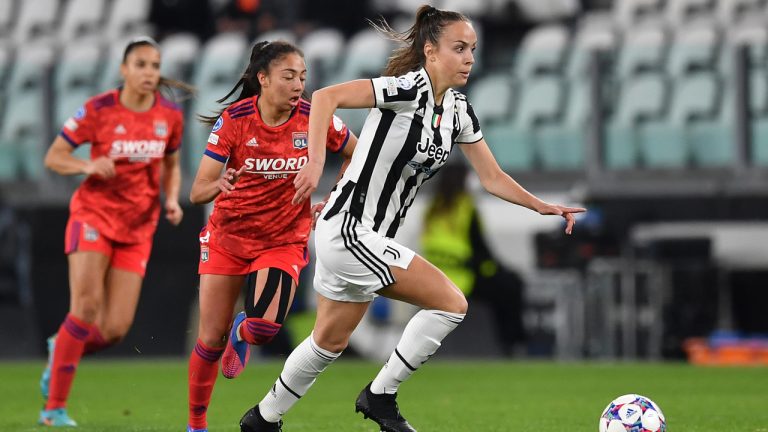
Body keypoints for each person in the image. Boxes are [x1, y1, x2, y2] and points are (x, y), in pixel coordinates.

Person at [239, 5, 585, 432]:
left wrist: (542, 206)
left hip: (361, 237)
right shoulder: (405, 89)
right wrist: (314, 165)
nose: (468, 59)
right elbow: (326, 98)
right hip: (349, 230)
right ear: (430, 51)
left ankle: (262, 418)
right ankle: (381, 395)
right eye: (458, 48)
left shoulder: (458, 111)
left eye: (472, 49)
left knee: (328, 341)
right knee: (451, 303)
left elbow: (492, 177)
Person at [186, 40, 357, 432]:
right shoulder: (235, 120)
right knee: (209, 341)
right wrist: (220, 182)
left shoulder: (315, 118)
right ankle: (196, 425)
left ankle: (242, 330)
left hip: (282, 239)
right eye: (289, 76)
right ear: (262, 79)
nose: (299, 85)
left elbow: (355, 152)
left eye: (303, 76)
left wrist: (333, 195)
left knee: (264, 329)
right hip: (228, 237)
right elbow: (198, 190)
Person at [39, 36, 188, 427]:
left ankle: (62, 350)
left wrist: (171, 199)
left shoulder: (170, 115)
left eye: (155, 66)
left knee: (116, 329)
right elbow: (55, 156)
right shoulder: (98, 110)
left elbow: (171, 165)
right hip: (93, 217)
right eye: (141, 64)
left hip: (138, 226)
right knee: (85, 308)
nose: (149, 73)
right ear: (124, 70)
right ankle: (54, 409)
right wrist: (86, 166)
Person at [421, 162, 526, 356]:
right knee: (511, 286)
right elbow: (481, 251)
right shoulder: (465, 208)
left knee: (503, 284)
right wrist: (497, 269)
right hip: (463, 279)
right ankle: (512, 344)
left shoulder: (432, 210)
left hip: (435, 279)